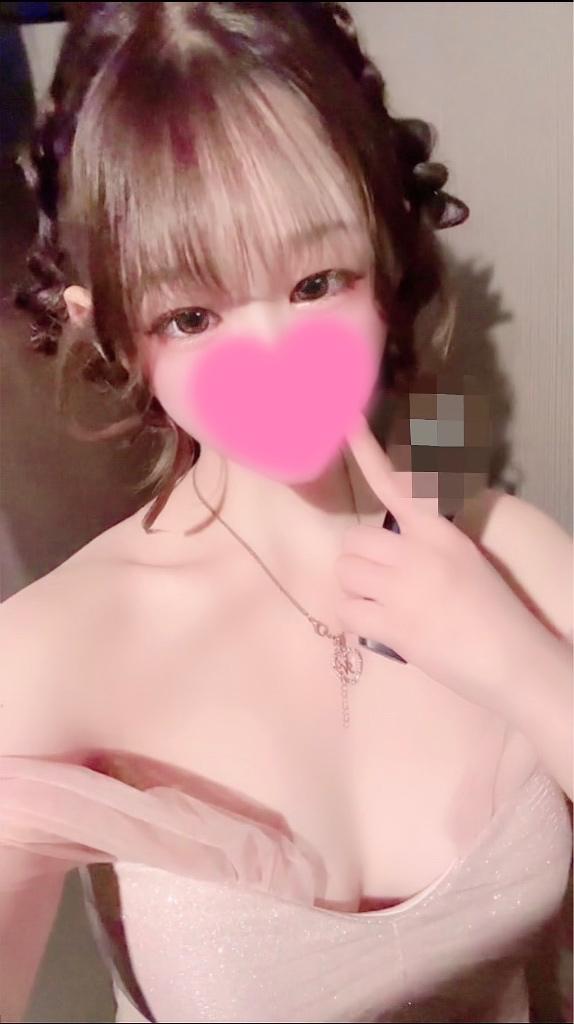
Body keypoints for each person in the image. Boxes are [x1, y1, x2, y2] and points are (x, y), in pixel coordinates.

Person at [1, 4, 572, 1022]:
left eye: (316, 281)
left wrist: (522, 669)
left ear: (382, 260)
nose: (273, 356)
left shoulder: (506, 552)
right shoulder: (49, 652)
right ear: (108, 327)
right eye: (192, 315)